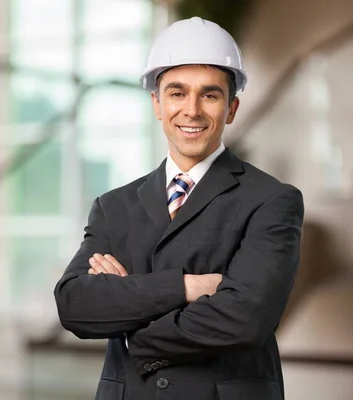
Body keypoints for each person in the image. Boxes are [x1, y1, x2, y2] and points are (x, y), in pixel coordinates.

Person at [53, 16, 304, 400]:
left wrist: (130, 322)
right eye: (176, 93)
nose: (192, 110)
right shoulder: (113, 207)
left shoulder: (271, 200)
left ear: (231, 108)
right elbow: (75, 305)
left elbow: (247, 318)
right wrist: (189, 287)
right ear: (157, 103)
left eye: (209, 94)